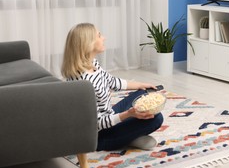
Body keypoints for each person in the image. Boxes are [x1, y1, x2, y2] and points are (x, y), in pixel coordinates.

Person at [61, 23, 163, 151]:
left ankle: (129, 137)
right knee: (157, 118)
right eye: (99, 35)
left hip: (109, 115)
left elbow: (111, 81)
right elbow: (97, 124)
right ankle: (128, 139)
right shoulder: (85, 84)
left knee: (144, 93)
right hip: (99, 136)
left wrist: (141, 85)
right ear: (88, 44)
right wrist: (128, 114)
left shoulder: (91, 63)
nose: (104, 38)